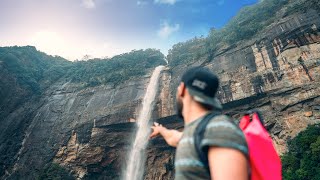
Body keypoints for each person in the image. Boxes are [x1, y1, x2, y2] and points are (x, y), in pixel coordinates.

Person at [150, 67, 249, 180]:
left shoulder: (218, 130)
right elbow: (174, 137)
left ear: (182, 89)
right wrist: (161, 130)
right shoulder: (198, 133)